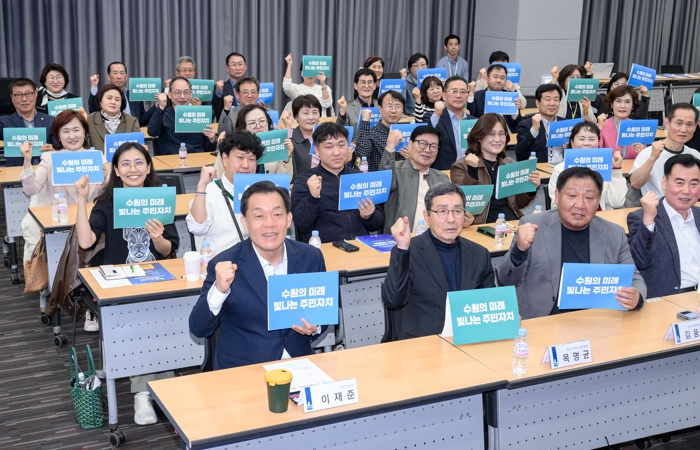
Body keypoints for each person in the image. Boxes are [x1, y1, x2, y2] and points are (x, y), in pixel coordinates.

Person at [74, 142, 178, 425]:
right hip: (120, 284)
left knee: (166, 324)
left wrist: (158, 238)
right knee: (141, 326)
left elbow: (168, 249)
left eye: (139, 162)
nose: (133, 169)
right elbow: (86, 241)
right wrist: (81, 199)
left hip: (156, 278)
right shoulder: (107, 203)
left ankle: (163, 388)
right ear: (117, 171)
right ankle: (143, 393)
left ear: (148, 167)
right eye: (126, 164)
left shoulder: (159, 199)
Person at [189, 181, 326, 370]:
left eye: (277, 214)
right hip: (244, 370)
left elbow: (327, 312)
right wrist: (219, 291)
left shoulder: (311, 257)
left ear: (288, 219)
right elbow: (198, 328)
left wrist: (316, 327)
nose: (269, 224)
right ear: (245, 223)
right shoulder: (225, 264)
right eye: (259, 216)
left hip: (299, 364)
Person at [498, 166, 647, 319]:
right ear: (557, 196)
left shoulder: (614, 233)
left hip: (596, 320)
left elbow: (635, 279)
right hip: (544, 320)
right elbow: (506, 279)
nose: (580, 205)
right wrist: (519, 251)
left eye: (589, 198)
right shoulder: (532, 226)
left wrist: (636, 296)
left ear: (598, 201)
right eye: (572, 196)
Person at [381, 182, 494, 340]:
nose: (451, 219)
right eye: (442, 211)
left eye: (457, 211)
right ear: (426, 216)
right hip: (424, 343)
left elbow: (490, 304)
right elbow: (393, 301)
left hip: (468, 339)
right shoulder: (409, 251)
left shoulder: (479, 254)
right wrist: (402, 249)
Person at [20, 110, 103, 271]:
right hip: (60, 226)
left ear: (85, 132)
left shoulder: (97, 156)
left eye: (76, 130)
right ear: (58, 135)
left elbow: (108, 192)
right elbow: (31, 190)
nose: (72, 136)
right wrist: (27, 161)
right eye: (65, 131)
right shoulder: (50, 158)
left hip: (92, 224)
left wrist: (107, 179)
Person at [291, 122, 384, 243]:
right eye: (329, 147)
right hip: (325, 247)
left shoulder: (359, 177)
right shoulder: (305, 180)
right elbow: (301, 225)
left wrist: (369, 216)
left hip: (360, 245)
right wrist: (313, 198)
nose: (336, 152)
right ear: (317, 151)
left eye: (341, 145)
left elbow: (377, 223)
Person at [628, 154, 700, 298]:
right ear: (664, 183)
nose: (686, 190)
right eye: (679, 183)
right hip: (671, 298)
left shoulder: (698, 214)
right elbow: (641, 262)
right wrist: (649, 220)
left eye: (693, 184)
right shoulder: (642, 217)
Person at [450, 113, 539, 224]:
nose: (497, 139)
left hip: (510, 221)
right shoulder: (461, 165)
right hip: (480, 224)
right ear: (479, 137)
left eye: (501, 134)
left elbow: (519, 204)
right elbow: (462, 203)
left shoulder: (510, 164)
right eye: (491, 134)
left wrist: (531, 187)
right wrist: (472, 171)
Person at [186, 132, 264, 253]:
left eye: (251, 159)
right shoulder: (209, 191)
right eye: (240, 158)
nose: (245, 165)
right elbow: (197, 228)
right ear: (225, 159)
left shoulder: (262, 192)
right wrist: (201, 186)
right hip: (219, 260)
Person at [380, 126, 457, 233]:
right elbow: (385, 183)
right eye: (422, 143)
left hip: (435, 238)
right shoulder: (395, 171)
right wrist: (390, 147)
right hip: (401, 238)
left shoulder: (441, 178)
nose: (427, 150)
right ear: (410, 144)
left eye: (433, 146)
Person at [548, 121, 626, 210]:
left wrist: (616, 169)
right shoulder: (560, 169)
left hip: (602, 216)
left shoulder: (605, 167)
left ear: (598, 142)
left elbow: (617, 203)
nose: (586, 143)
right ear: (572, 143)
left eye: (591, 139)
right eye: (581, 139)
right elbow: (555, 205)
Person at [629, 103, 700, 197]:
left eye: (689, 124)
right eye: (679, 123)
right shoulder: (647, 153)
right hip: (657, 205)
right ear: (667, 123)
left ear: (695, 127)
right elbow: (635, 184)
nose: (683, 129)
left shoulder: (695, 155)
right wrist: (652, 158)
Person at [147, 77, 217, 155]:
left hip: (197, 157)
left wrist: (212, 139)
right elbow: (152, 132)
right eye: (178, 93)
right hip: (171, 158)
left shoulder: (199, 115)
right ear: (169, 95)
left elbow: (209, 148)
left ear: (191, 94)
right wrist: (160, 108)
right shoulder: (163, 114)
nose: (182, 96)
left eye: (186, 93)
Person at [0, 78, 54, 167]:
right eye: (18, 95)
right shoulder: (4, 122)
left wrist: (54, 149)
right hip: (15, 170)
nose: (24, 99)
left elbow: (61, 147)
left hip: (46, 169)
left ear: (36, 94)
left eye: (28, 94)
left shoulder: (51, 121)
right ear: (12, 98)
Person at [232, 104, 293, 178]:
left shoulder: (276, 144)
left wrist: (286, 157)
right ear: (243, 128)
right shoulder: (234, 148)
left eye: (262, 121)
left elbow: (285, 179)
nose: (258, 126)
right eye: (252, 123)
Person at [429, 76, 477, 170]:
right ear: (444, 95)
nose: (458, 95)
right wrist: (436, 115)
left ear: (467, 95)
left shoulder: (474, 122)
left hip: (470, 172)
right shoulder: (435, 118)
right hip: (444, 173)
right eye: (453, 91)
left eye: (463, 92)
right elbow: (430, 137)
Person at [88, 61, 152, 126]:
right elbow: (94, 112)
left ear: (126, 77)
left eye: (122, 73)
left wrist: (156, 105)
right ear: (108, 77)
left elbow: (141, 121)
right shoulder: (103, 94)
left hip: (131, 130)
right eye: (115, 73)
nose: (119, 76)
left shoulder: (134, 95)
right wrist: (94, 86)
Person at [355, 90, 405, 172]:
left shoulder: (407, 133)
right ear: (380, 109)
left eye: (397, 106)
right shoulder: (371, 133)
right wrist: (365, 121)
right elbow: (362, 154)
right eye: (389, 106)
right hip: (379, 177)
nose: (393, 110)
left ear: (402, 110)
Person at [514, 84, 565, 163]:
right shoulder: (526, 124)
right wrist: (534, 130)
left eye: (556, 99)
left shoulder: (565, 123)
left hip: (564, 168)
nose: (552, 103)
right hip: (540, 169)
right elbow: (520, 154)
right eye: (548, 99)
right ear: (538, 103)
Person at [466, 64, 523, 132]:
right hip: (484, 133)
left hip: (507, 133)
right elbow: (469, 118)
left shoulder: (510, 96)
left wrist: (515, 112)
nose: (498, 80)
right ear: (487, 79)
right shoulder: (477, 96)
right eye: (495, 77)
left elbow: (518, 124)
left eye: (502, 78)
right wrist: (471, 94)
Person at [86, 84, 140, 151]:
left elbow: (137, 148)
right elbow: (84, 148)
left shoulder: (132, 121)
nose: (113, 102)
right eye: (109, 98)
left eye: (117, 99)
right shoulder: (89, 120)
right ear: (100, 101)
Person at [598, 85, 645, 159]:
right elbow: (595, 153)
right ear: (611, 104)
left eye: (627, 102)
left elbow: (645, 156)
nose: (623, 106)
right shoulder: (601, 126)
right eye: (619, 101)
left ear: (633, 106)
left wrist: (643, 152)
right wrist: (599, 129)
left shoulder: (638, 127)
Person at [212, 52, 247, 120]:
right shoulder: (220, 88)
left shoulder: (253, 87)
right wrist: (218, 92)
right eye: (234, 65)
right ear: (227, 68)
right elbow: (216, 111)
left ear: (245, 67)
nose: (237, 68)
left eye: (240, 64)